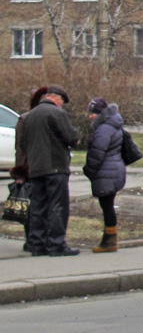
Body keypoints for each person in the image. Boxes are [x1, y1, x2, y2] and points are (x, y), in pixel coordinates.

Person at [23, 84, 81, 257]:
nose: (62, 104)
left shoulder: (29, 116)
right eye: (62, 101)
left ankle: (36, 244)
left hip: (35, 168)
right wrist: (76, 136)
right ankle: (57, 244)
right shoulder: (57, 113)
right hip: (55, 167)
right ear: (57, 98)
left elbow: (24, 143)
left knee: (37, 206)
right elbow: (71, 137)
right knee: (57, 205)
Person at [83, 97, 126, 253]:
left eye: (92, 113)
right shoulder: (113, 125)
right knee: (107, 205)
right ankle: (109, 239)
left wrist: (88, 170)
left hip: (106, 171)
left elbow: (97, 153)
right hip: (114, 170)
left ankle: (109, 241)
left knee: (107, 206)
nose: (90, 116)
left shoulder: (103, 129)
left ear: (99, 113)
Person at [11, 86, 49, 251]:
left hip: (47, 168)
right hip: (30, 169)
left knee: (45, 205)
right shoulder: (25, 119)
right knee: (31, 205)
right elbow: (20, 147)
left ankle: (42, 238)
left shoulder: (50, 117)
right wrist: (20, 171)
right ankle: (32, 239)